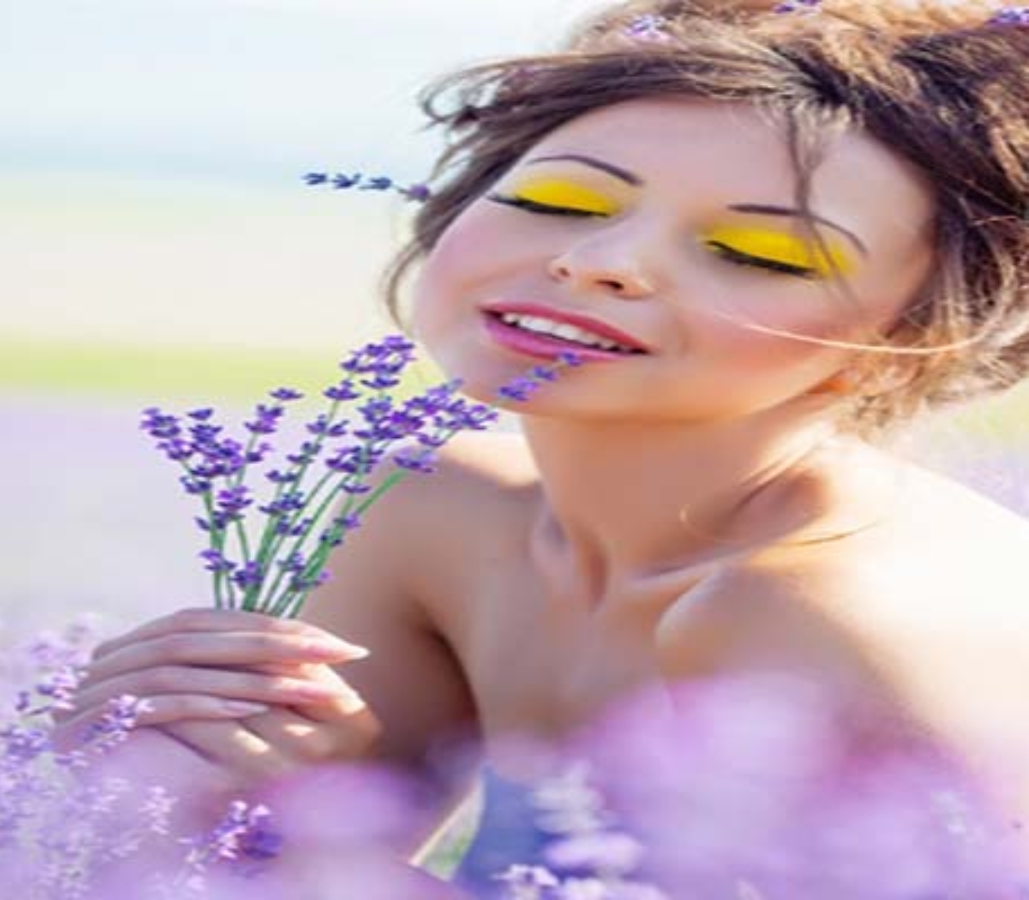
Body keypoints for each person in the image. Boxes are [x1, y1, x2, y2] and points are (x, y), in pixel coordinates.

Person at [54, 0, 1029, 894]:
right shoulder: (434, 516)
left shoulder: (825, 621)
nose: (595, 262)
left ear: (905, 343)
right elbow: (244, 855)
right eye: (562, 199)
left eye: (756, 252)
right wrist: (165, 764)